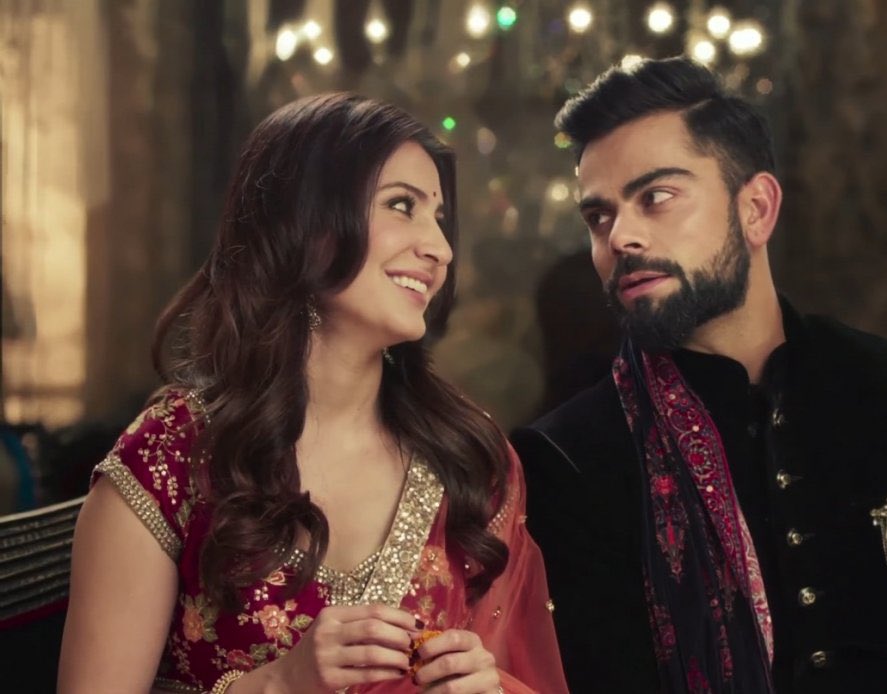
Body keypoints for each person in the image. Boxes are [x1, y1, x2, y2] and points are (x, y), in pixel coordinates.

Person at [511, 57, 887, 693]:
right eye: (599, 217)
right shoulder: (567, 456)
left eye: (656, 198)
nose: (619, 237)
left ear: (757, 209)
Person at [59, 93, 568, 694]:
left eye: (438, 217)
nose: (440, 248)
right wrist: (276, 684)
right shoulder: (173, 455)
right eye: (402, 205)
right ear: (305, 223)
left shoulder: (469, 461)